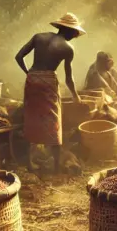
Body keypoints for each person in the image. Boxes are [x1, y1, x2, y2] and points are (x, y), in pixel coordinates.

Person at [15, 12, 84, 173]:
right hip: (48, 84)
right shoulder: (68, 48)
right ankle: (55, 167)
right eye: (75, 32)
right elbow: (69, 78)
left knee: (30, 119)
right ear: (70, 31)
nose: (75, 36)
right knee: (54, 120)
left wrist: (29, 73)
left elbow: (19, 56)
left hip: (32, 81)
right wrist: (76, 95)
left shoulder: (39, 37)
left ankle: (29, 165)